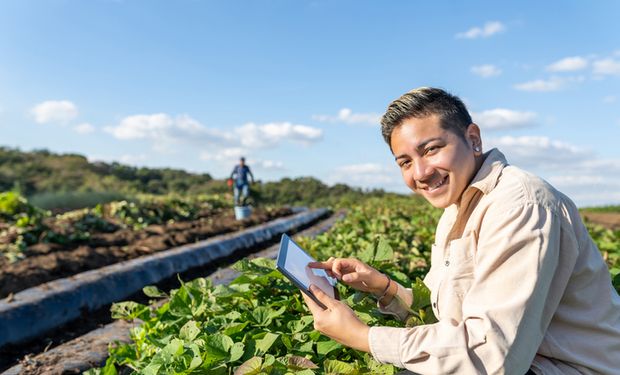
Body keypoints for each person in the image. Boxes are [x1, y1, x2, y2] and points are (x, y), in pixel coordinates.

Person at [301, 87, 620, 374]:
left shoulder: (520, 206)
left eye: (431, 149)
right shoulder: (456, 209)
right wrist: (385, 289)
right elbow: (454, 321)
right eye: (405, 163)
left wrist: (362, 336)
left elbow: (493, 357)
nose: (421, 173)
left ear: (473, 139)